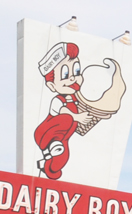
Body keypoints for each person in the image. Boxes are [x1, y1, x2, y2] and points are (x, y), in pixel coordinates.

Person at [33, 42, 98, 180]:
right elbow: (62, 111)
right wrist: (77, 117)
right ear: (51, 85)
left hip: (63, 138)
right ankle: (51, 146)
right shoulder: (58, 100)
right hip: (46, 133)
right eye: (65, 74)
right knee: (67, 119)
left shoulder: (76, 97)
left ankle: (50, 167)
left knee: (62, 158)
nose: (73, 78)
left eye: (77, 71)